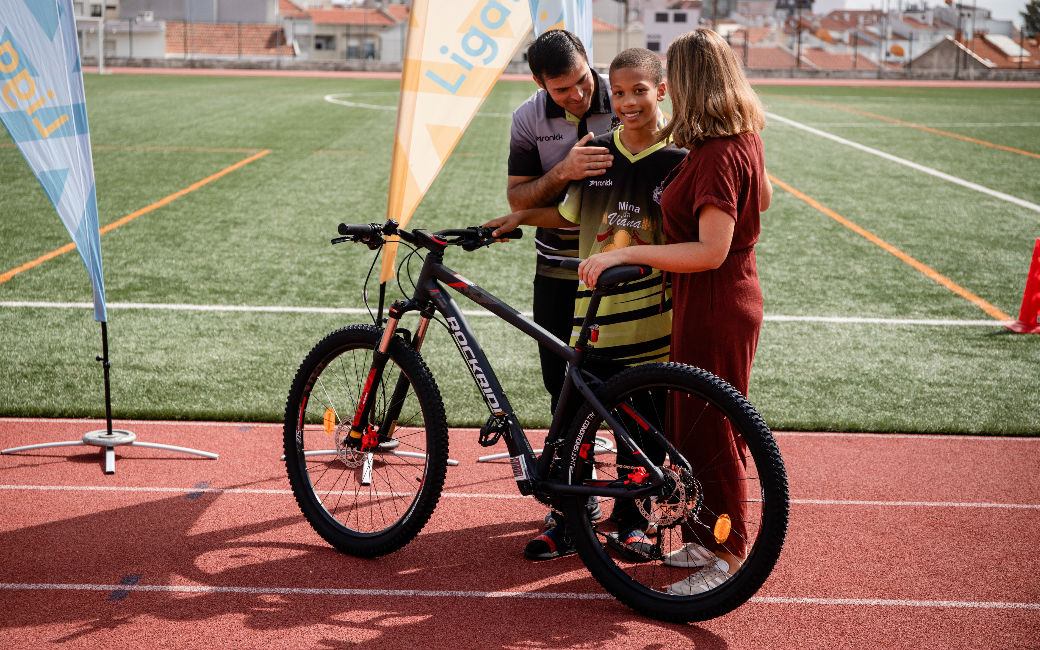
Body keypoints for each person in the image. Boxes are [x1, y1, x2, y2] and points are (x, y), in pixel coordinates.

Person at [573, 28, 773, 595]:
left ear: (690, 84)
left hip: (715, 298)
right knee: (696, 423)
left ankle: (727, 558)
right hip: (720, 294)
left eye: (674, 82)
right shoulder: (742, 137)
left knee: (712, 428)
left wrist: (630, 251)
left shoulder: (714, 153)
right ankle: (710, 538)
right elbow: (762, 200)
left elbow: (710, 250)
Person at [490, 48, 686, 562]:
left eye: (636, 91)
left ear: (661, 91)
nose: (622, 100)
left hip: (650, 312)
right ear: (541, 85)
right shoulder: (595, 147)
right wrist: (522, 218)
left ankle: (639, 515)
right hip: (589, 308)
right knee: (573, 404)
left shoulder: (681, 152)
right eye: (619, 93)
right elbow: (570, 215)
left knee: (644, 413)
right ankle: (572, 511)